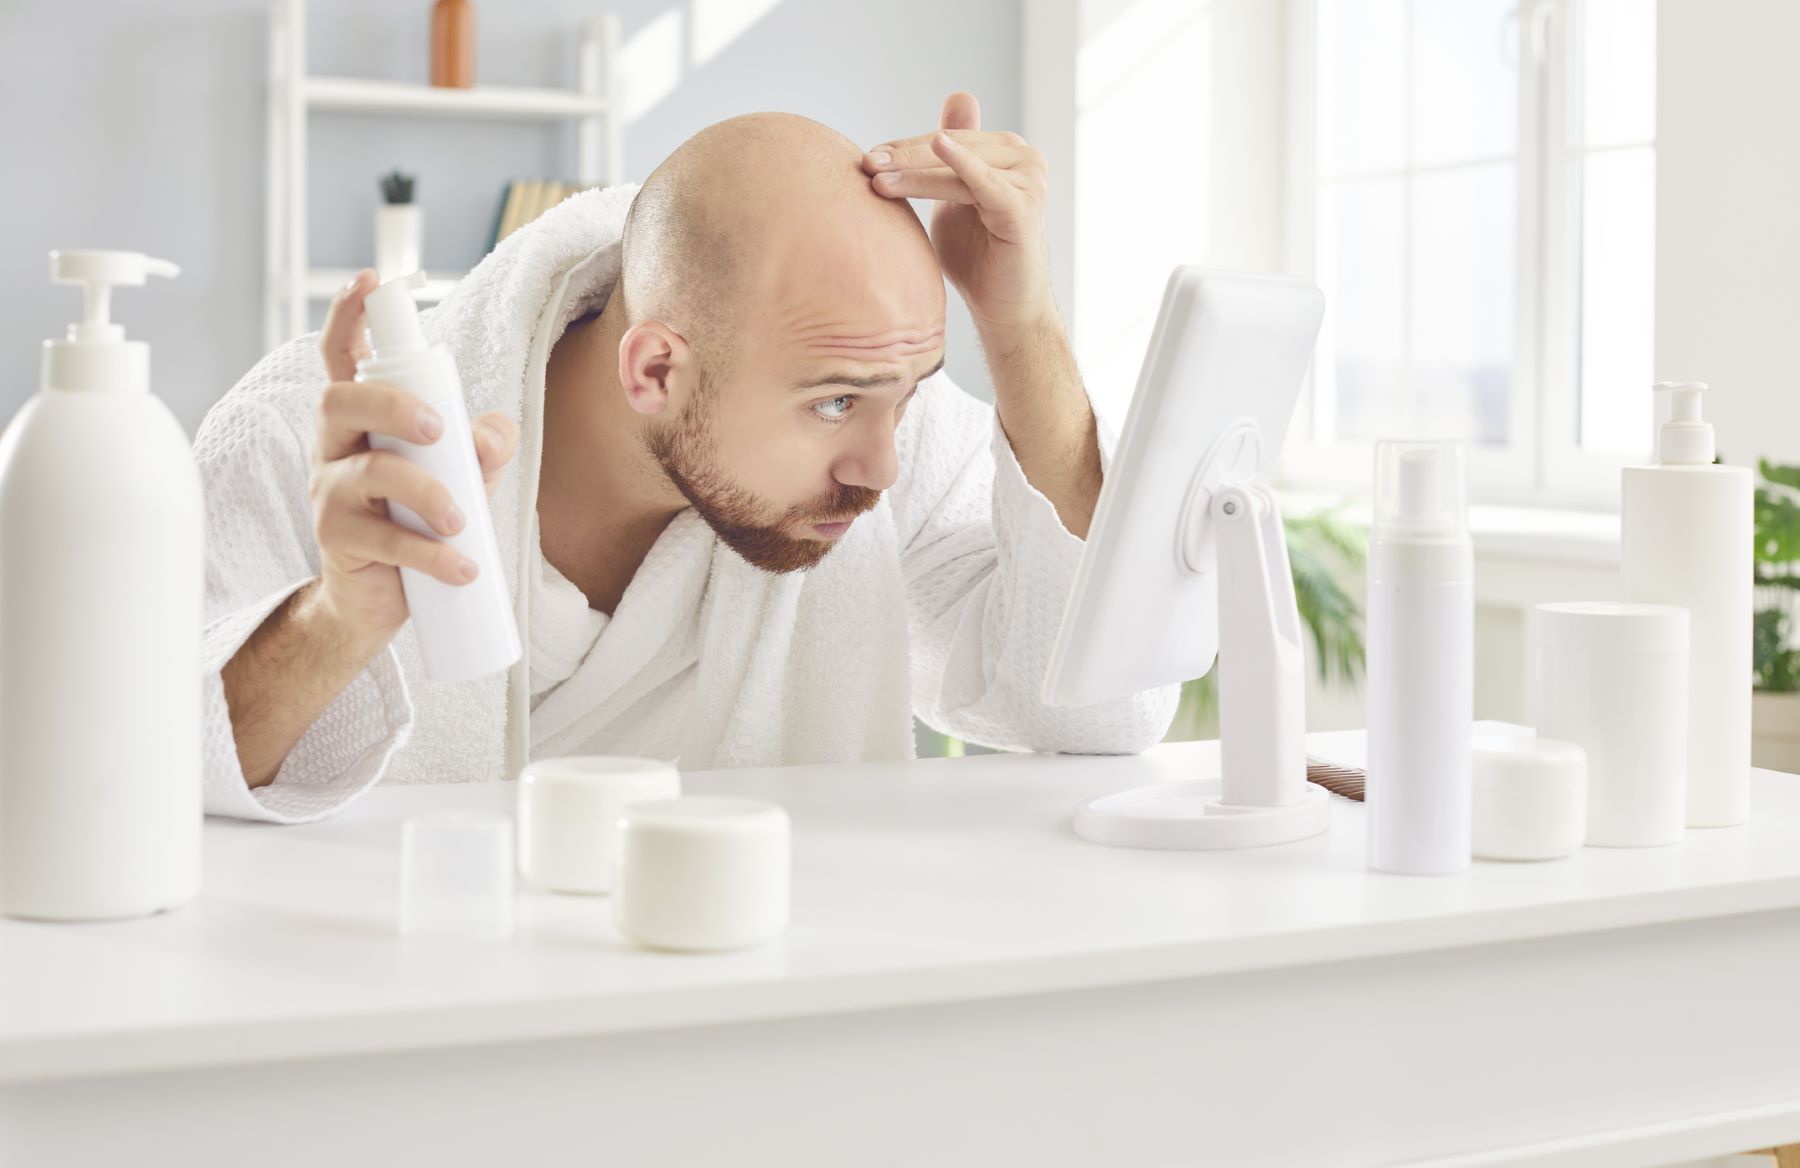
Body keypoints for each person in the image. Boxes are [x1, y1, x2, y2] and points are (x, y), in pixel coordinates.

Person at [197, 92, 1178, 824]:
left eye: (907, 390)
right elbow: (133, 775)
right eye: (834, 399)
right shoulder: (323, 448)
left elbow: (1105, 705)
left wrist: (1020, 324)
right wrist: (340, 616)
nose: (880, 465)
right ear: (656, 367)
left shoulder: (883, 435)